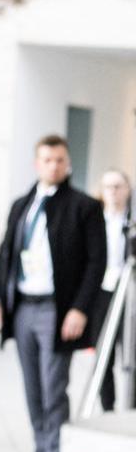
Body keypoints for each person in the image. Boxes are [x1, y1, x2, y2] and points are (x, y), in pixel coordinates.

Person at [0, 134, 106, 452]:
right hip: (23, 306)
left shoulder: (83, 207)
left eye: (60, 160)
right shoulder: (22, 205)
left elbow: (96, 262)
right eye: (47, 160)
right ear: (37, 163)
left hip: (57, 310)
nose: (54, 166)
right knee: (33, 390)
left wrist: (80, 309)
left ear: (67, 163)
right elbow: (6, 254)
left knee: (54, 391)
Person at [93, 170, 133, 411]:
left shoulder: (131, 221)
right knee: (103, 355)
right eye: (109, 187)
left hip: (130, 292)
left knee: (130, 352)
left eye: (118, 186)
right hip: (103, 293)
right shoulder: (95, 220)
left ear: (128, 189)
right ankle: (108, 407)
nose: (114, 192)